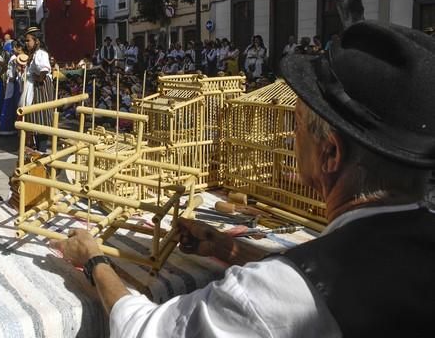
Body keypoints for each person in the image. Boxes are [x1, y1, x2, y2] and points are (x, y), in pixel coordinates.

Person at [50, 21, 435, 337]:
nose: (287, 137)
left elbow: (143, 330)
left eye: (296, 126)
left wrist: (95, 258)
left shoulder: (276, 296)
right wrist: (229, 248)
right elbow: (321, 276)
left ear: (330, 153)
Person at [22, 26, 54, 151]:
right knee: (35, 117)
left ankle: (42, 150)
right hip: (35, 87)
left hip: (41, 88)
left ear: (37, 41)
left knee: (41, 117)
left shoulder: (41, 53)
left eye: (28, 40)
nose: (26, 43)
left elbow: (44, 70)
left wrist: (36, 77)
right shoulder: (34, 54)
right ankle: (38, 148)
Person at [0, 41, 26, 135]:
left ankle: (10, 128)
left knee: (12, 105)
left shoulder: (15, 58)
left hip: (14, 84)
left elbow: (14, 73)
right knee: (11, 105)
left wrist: (12, 77)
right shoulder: (13, 58)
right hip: (13, 83)